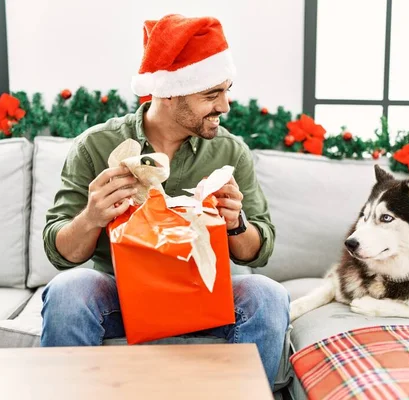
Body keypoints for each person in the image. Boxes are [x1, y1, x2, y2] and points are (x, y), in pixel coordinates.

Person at [41, 14, 290, 388]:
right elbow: (60, 252)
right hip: (123, 294)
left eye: (227, 90)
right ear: (170, 92)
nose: (225, 106)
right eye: (211, 94)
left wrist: (236, 222)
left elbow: (258, 252)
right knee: (67, 292)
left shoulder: (230, 151)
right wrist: (91, 217)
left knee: (268, 295)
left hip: (206, 293)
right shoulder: (96, 145)